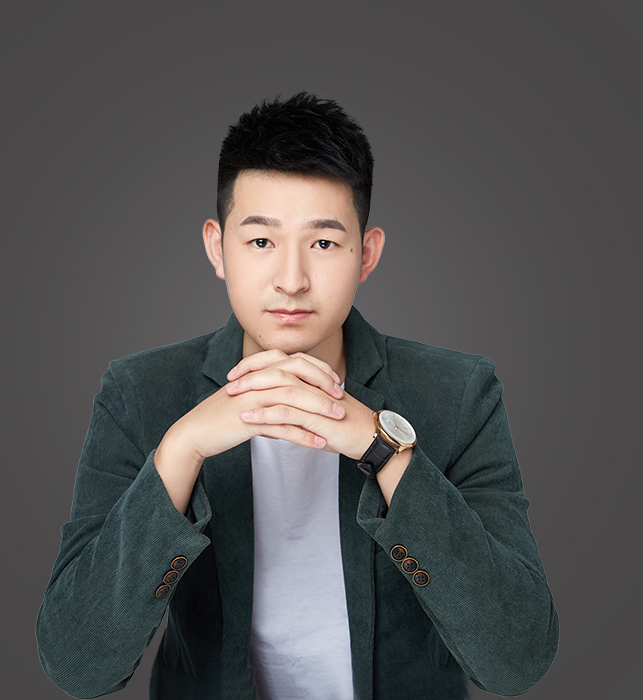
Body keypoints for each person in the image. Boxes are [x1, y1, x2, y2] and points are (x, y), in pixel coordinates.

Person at [36, 93, 558, 699]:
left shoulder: (460, 393)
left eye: (324, 243)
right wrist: (180, 450)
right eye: (261, 242)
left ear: (367, 254)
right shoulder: (139, 393)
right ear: (217, 248)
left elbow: (518, 660)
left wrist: (383, 450)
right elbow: (77, 666)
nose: (291, 280)